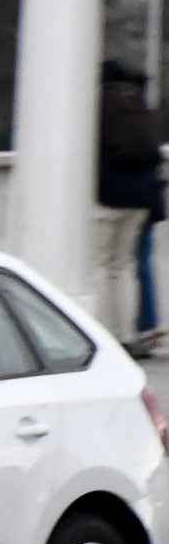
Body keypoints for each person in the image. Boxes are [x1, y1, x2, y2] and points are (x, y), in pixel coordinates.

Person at [98, 61, 165, 356]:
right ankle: (130, 333)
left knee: (101, 266)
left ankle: (103, 333)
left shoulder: (98, 102)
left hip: (108, 194)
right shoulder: (135, 100)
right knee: (124, 266)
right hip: (142, 198)